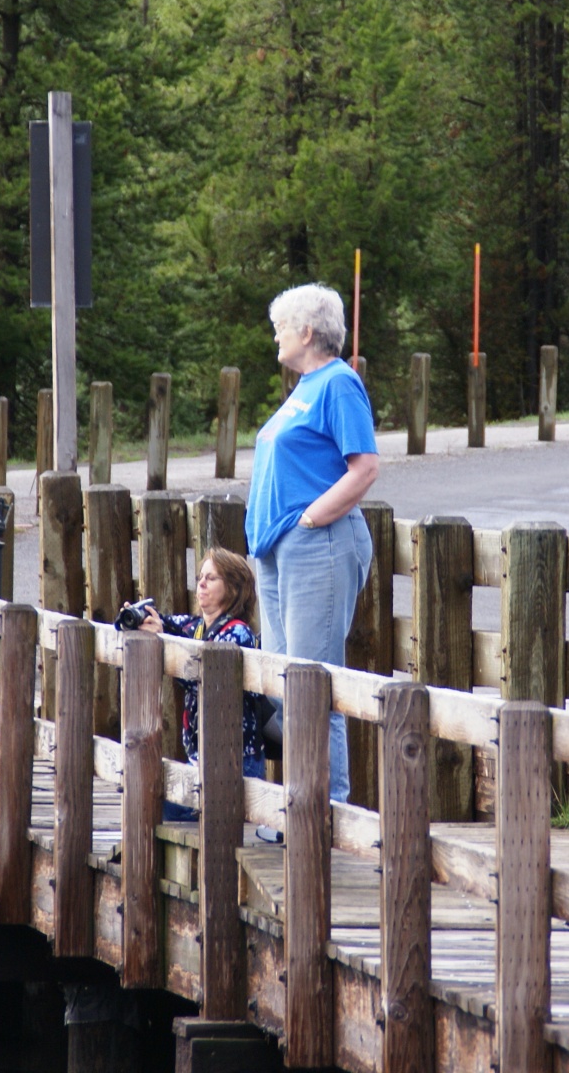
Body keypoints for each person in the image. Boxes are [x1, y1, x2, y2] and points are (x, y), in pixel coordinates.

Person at [246, 283, 379, 804]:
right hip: (278, 550)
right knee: (285, 688)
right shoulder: (305, 386)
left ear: (306, 332)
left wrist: (309, 519)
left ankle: (325, 811)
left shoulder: (338, 383)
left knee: (311, 686)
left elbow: (364, 468)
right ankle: (298, 805)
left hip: (315, 546)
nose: (275, 335)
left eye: (281, 326)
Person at [135, 549, 268, 818]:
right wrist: (140, 618)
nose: (202, 584)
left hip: (235, 764)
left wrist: (166, 642)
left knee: (157, 805)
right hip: (202, 762)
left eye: (211, 578)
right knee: (145, 794)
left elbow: (206, 682)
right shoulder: (196, 627)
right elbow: (167, 622)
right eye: (200, 577)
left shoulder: (237, 633)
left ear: (233, 588)